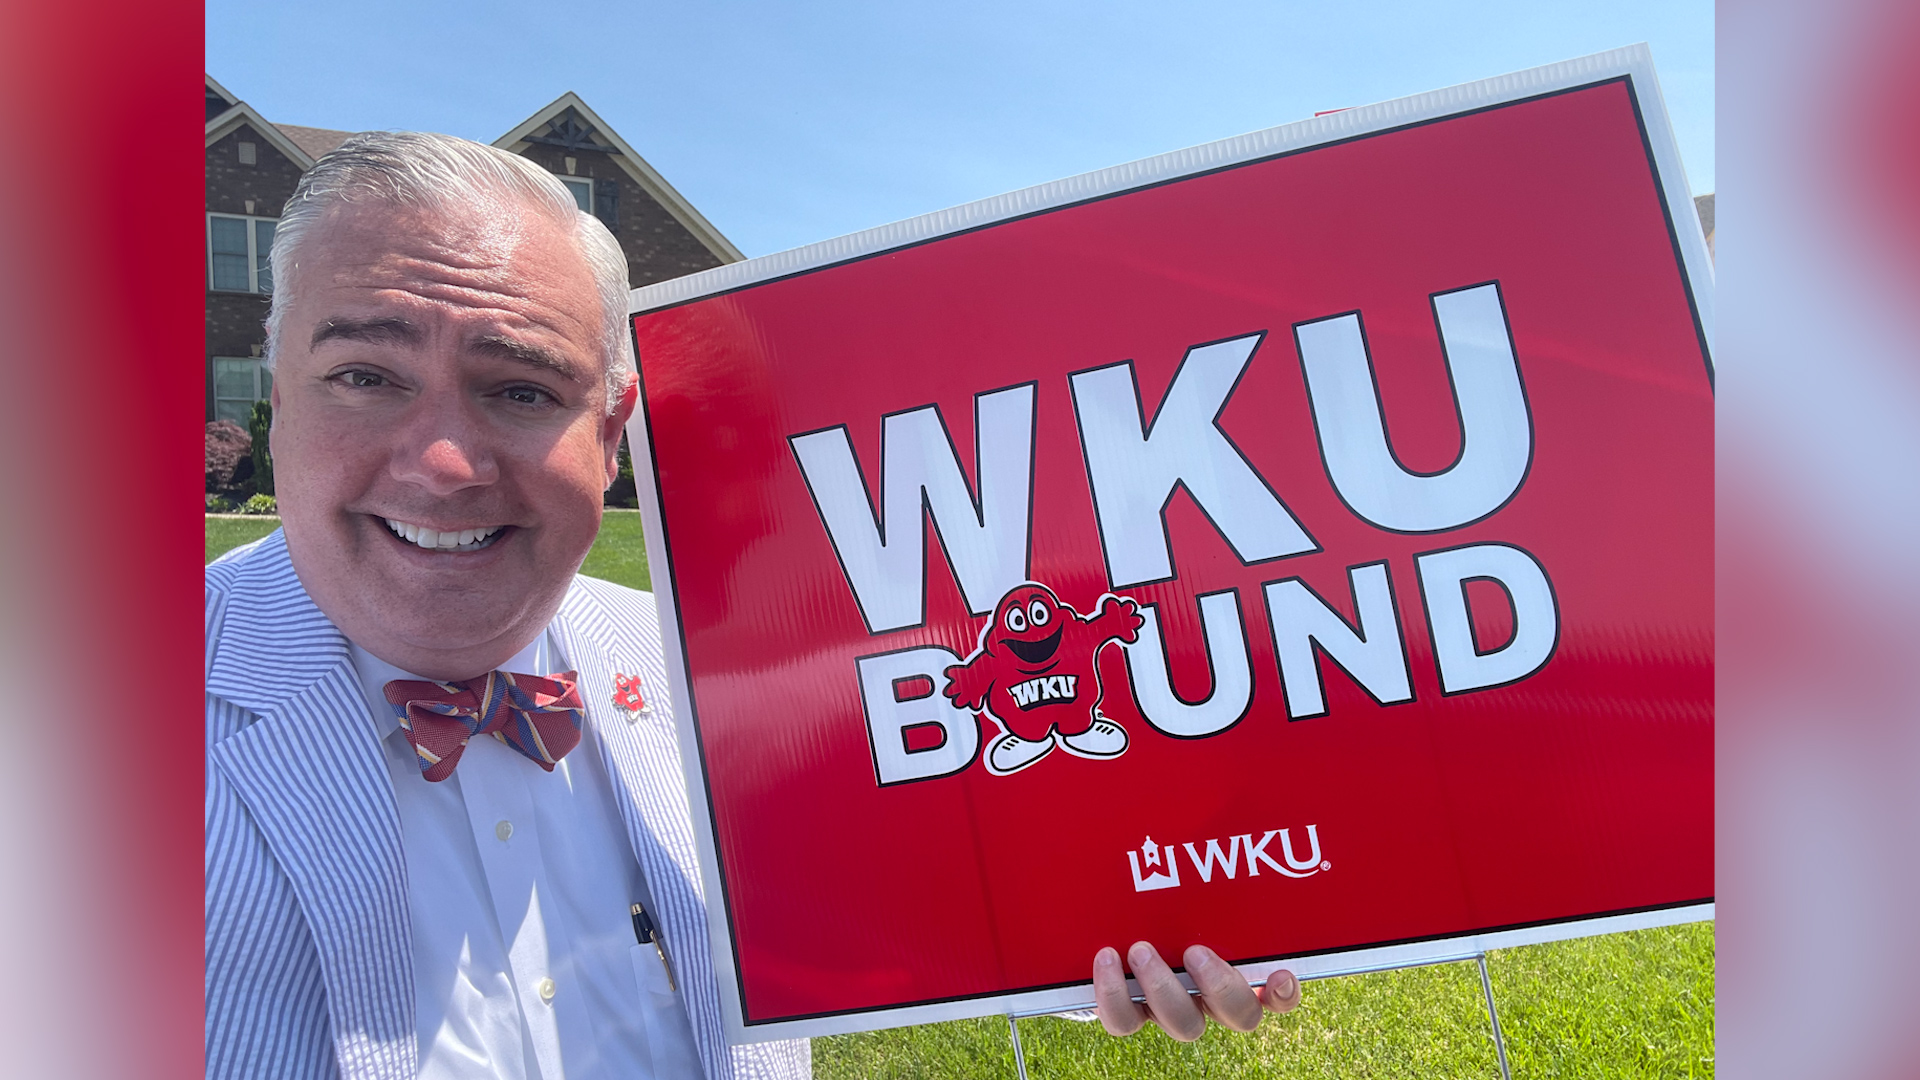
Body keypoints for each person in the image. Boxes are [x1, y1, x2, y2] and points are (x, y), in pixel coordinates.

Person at [204, 131, 1295, 1080]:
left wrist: (1154, 937)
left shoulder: (713, 676)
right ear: (280, 386)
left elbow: (925, 894)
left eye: (523, 389)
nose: (444, 462)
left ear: (614, 427)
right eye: (366, 375)